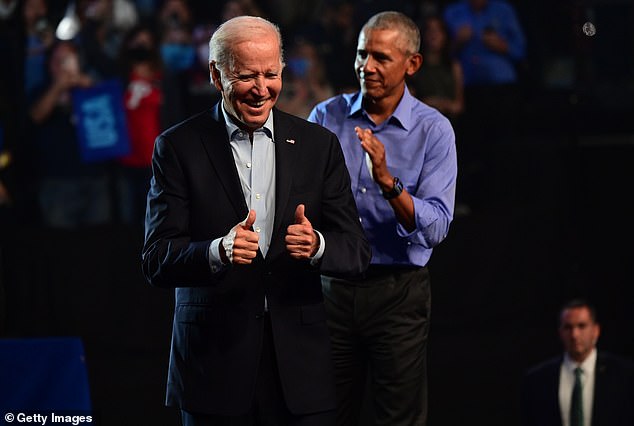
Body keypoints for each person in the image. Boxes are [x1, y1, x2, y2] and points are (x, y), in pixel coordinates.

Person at [142, 15, 371, 426]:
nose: (262, 88)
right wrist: (218, 250)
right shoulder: (177, 147)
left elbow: (356, 252)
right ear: (216, 75)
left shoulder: (319, 146)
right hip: (213, 367)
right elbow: (157, 258)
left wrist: (317, 245)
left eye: (271, 73)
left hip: (301, 373)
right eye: (247, 75)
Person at [308, 11, 457, 426]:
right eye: (361, 54)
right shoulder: (325, 117)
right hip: (331, 287)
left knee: (399, 418)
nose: (366, 66)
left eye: (380, 57)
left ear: (412, 64)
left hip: (398, 293)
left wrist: (388, 182)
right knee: (324, 412)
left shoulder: (434, 130)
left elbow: (437, 226)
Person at [521, 299, 634, 426]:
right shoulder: (538, 379)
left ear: (596, 330)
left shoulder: (623, 374)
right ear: (560, 332)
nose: (574, 335)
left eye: (582, 326)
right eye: (568, 327)